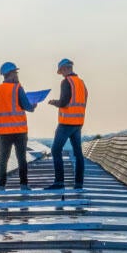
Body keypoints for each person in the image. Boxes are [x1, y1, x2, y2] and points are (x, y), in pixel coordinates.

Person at [0, 61, 36, 191]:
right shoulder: (17, 88)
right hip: (19, 130)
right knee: (21, 157)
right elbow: (28, 107)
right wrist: (33, 106)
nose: (17, 75)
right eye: (15, 72)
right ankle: (24, 185)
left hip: (3, 131)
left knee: (3, 158)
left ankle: (1, 186)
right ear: (10, 74)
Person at [45, 58, 87, 190]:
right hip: (78, 122)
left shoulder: (66, 82)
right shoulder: (81, 83)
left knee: (55, 150)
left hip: (66, 122)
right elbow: (84, 100)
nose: (62, 74)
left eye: (61, 71)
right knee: (78, 153)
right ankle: (78, 184)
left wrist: (53, 102)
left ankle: (59, 182)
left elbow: (63, 102)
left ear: (64, 69)